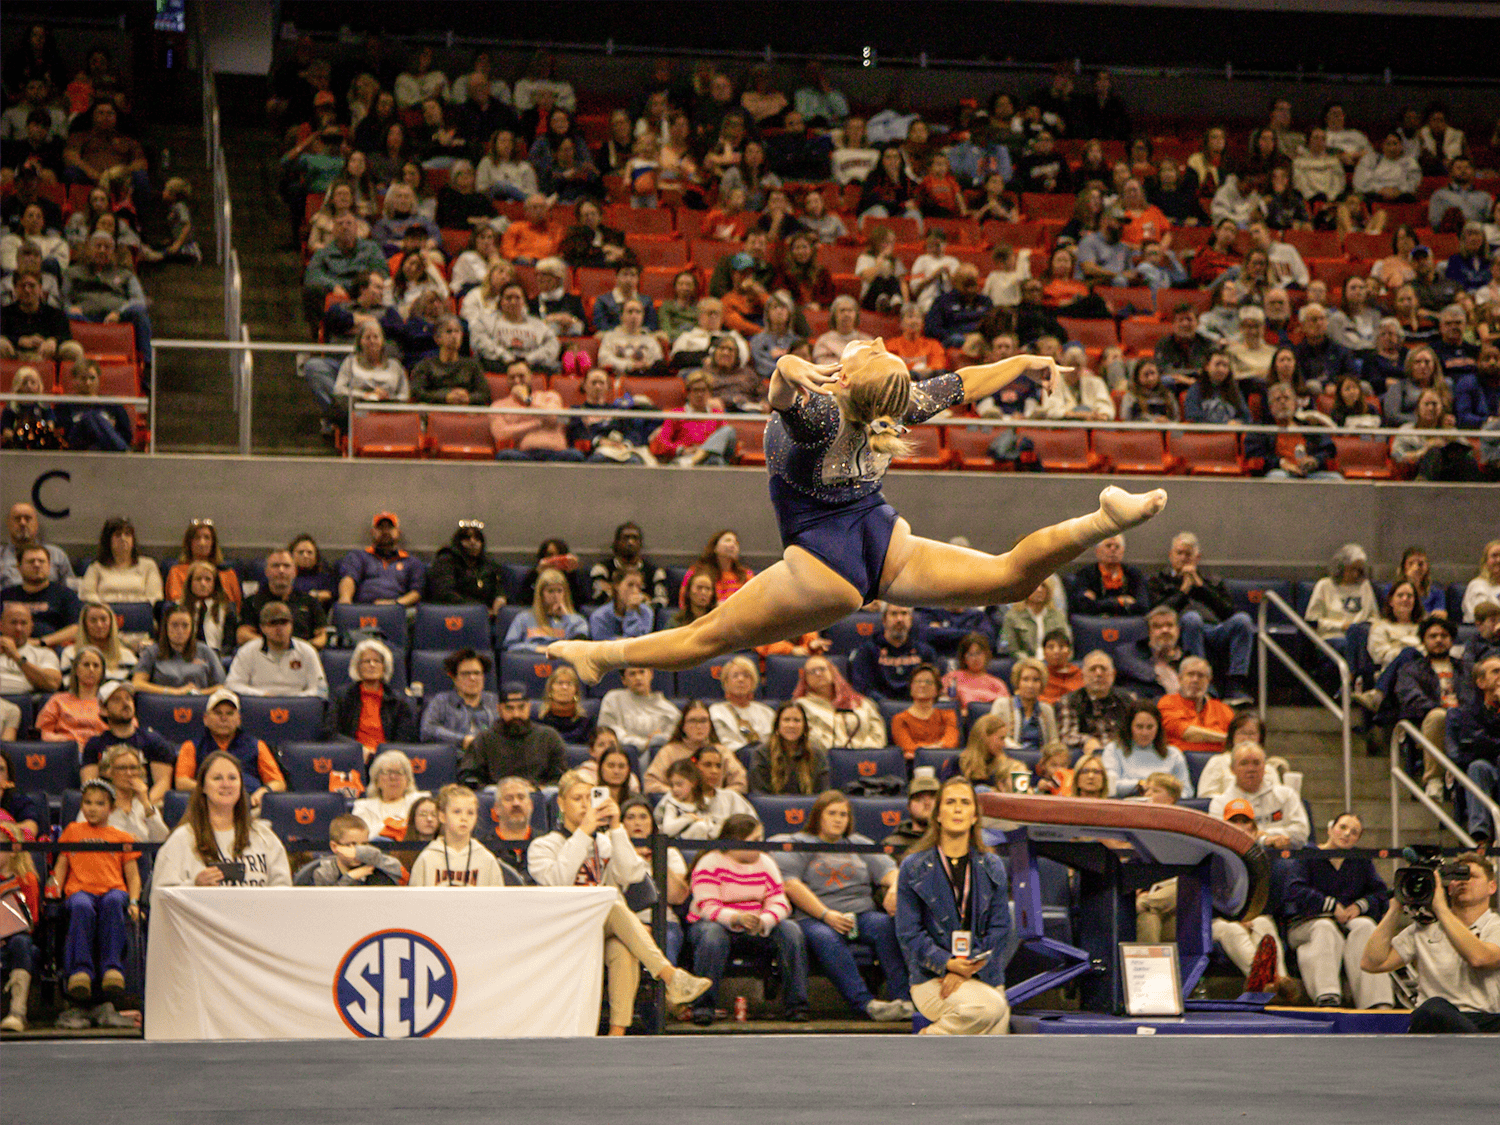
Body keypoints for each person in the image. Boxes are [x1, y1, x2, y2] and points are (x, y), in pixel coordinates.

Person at [532, 771, 713, 1032]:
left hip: (602, 927)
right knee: (612, 904)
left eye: (589, 798)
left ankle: (617, 1034)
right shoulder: (544, 846)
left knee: (623, 951)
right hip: (565, 928)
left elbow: (633, 875)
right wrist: (584, 832)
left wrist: (616, 827)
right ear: (561, 803)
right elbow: (558, 880)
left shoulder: (604, 843)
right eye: (577, 798)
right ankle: (670, 976)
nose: (585, 805)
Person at [776, 790, 914, 1021]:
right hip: (815, 916)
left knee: (886, 926)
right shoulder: (801, 843)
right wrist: (826, 914)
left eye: (844, 814)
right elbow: (790, 885)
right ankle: (866, 1004)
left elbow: (891, 871)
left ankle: (906, 1000)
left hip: (861, 914)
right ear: (818, 815)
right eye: (832, 813)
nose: (838, 819)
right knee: (825, 938)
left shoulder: (858, 843)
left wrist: (893, 887)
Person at [895, 776, 1011, 1035]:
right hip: (931, 977)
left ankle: (936, 1049)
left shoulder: (993, 866)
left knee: (997, 1030)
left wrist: (966, 968)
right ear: (937, 815)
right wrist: (947, 963)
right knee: (990, 1010)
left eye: (965, 803)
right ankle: (926, 1042)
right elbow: (908, 933)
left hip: (983, 975)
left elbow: (1001, 929)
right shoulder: (913, 867)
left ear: (974, 817)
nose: (957, 808)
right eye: (950, 802)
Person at [686, 814, 808, 1024]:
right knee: (712, 936)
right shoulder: (709, 862)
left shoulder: (766, 862)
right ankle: (703, 1006)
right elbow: (706, 906)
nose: (759, 845)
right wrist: (735, 918)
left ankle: (797, 1006)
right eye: (754, 840)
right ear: (735, 841)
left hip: (756, 926)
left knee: (790, 930)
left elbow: (780, 901)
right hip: (716, 924)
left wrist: (765, 921)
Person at [1361, 852, 1500, 1033]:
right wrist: (1396, 907)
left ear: (1492, 886)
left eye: (1471, 876)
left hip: (1484, 1018)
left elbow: (1480, 958)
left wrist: (1441, 909)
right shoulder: (1425, 928)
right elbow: (1371, 963)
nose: (1464, 881)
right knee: (1433, 1008)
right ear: (1448, 888)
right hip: (1434, 1019)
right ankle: (1477, 1049)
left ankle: (1474, 1045)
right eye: (1456, 877)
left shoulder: (1495, 926)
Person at [1280, 812, 1394, 1008]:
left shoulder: (1360, 860)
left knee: (1365, 925)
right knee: (1325, 928)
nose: (1347, 834)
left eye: (1354, 832)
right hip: (1306, 924)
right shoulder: (1308, 854)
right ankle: (1328, 997)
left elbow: (1381, 894)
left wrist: (1360, 906)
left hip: (1346, 923)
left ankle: (1377, 1003)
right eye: (1343, 827)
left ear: (1357, 839)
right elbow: (1293, 890)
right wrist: (1331, 906)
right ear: (1331, 829)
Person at [152, 750, 293, 899]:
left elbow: (283, 891)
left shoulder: (265, 837)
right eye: (217, 778)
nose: (226, 784)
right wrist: (194, 885)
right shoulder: (181, 840)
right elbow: (160, 897)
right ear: (203, 787)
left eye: (232, 778)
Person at [49, 779, 141, 1006]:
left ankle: (112, 969)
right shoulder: (72, 831)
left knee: (112, 902)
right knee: (80, 906)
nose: (92, 808)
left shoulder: (122, 837)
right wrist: (53, 892)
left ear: (111, 808)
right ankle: (80, 972)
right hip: (80, 891)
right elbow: (62, 865)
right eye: (88, 802)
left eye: (99, 804)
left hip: (114, 890)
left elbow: (133, 876)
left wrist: (135, 901)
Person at [1146, 532, 1255, 704]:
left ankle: (1236, 685)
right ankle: (1204, 682)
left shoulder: (1211, 580)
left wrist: (1200, 586)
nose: (1183, 558)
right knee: (1192, 618)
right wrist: (1183, 590)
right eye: (1179, 553)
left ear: (1197, 557)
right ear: (1171, 555)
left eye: (1188, 554)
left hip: (1214, 629)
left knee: (1243, 620)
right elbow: (1158, 612)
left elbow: (1228, 611)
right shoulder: (1158, 581)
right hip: (1182, 629)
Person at [1213, 799, 1293, 996]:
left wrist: (1248, 916)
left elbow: (1267, 901)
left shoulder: (1262, 860)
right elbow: (1210, 899)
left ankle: (1281, 979)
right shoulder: (1215, 856)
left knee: (1264, 924)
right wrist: (1235, 919)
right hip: (1217, 920)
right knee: (1232, 930)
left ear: (1255, 830)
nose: (1240, 828)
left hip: (1251, 915)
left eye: (1244, 822)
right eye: (1234, 822)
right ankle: (1266, 980)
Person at [171, 688, 287, 802]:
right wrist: (214, 790)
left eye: (230, 713)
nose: (223, 718)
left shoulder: (257, 745)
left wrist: (263, 791)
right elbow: (182, 782)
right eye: (217, 713)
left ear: (239, 720)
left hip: (250, 804)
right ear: (205, 719)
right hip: (207, 804)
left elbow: (278, 783)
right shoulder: (191, 746)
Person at [79, 682, 174, 806]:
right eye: (117, 699)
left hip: (146, 805)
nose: (125, 703)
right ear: (103, 709)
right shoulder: (94, 744)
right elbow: (90, 786)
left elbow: (163, 783)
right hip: (107, 809)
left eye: (128, 698)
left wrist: (143, 807)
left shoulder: (153, 740)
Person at [458, 683, 566, 788]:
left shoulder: (548, 736)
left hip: (539, 795)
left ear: (529, 707)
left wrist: (537, 789)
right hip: (497, 797)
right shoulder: (484, 739)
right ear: (499, 709)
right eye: (509, 708)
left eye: (521, 707)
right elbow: (469, 775)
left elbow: (561, 777)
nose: (516, 714)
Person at [408, 783, 516, 887]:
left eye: (470, 813)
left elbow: (497, 901)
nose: (464, 818)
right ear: (442, 816)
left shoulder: (486, 859)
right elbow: (414, 901)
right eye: (457, 811)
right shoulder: (427, 858)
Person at [323, 638, 418, 755]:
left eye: (377, 661)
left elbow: (404, 740)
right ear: (357, 667)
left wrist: (381, 753)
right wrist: (359, 749)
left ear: (384, 668)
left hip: (387, 757)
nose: (372, 665)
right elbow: (330, 733)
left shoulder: (398, 701)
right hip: (352, 755)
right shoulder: (342, 696)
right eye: (366, 661)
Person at [1208, 742, 1310, 848]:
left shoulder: (1286, 795)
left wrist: (1266, 834)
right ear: (1232, 769)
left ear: (1265, 767)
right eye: (1244, 763)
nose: (1251, 769)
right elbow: (1219, 838)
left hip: (1281, 855)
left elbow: (1301, 832)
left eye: (1256, 763)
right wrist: (1263, 839)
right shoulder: (1220, 803)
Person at [223, 602, 326, 698]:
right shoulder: (247, 651)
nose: (279, 628)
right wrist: (263, 695)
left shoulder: (307, 651)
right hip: (260, 706)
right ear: (262, 627)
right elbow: (232, 684)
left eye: (284, 623)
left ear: (291, 625)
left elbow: (321, 689)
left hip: (298, 708)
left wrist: (296, 699)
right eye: (273, 623)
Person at [1451, 655, 1500, 844]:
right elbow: (1474, 745)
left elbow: (1485, 742)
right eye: (1495, 672)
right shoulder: (1468, 712)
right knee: (1477, 766)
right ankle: (1480, 836)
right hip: (1486, 769)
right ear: (1480, 682)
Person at [793, 654, 887, 751]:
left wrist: (858, 750)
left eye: (822, 669)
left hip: (864, 756)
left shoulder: (863, 703)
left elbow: (878, 735)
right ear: (805, 679)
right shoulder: (801, 706)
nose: (818, 674)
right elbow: (808, 740)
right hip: (825, 760)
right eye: (811, 672)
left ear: (832, 671)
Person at [1102, 700, 1194, 798]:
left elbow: (1187, 791)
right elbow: (1110, 786)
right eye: (1139, 727)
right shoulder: (1114, 749)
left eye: (1150, 727)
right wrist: (1141, 784)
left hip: (1165, 807)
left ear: (1158, 727)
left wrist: (1165, 798)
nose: (1144, 733)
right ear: (1129, 727)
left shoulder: (1173, 753)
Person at [851, 604, 939, 702]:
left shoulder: (925, 652)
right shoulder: (867, 652)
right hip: (879, 708)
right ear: (884, 620)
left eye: (904, 613)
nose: (899, 619)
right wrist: (888, 705)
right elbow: (862, 688)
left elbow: (934, 687)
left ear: (911, 620)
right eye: (894, 614)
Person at [654, 756, 756, 840]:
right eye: (671, 785)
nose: (675, 789)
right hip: (679, 845)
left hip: (704, 846)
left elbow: (712, 830)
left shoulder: (703, 803)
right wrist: (689, 818)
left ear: (693, 783)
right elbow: (667, 830)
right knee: (700, 826)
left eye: (679, 784)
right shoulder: (672, 804)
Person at [1157, 656, 1237, 758]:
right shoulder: (1167, 702)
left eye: (1201, 676)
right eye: (1190, 674)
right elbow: (1189, 734)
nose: (1195, 680)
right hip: (1181, 761)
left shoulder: (1224, 709)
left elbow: (1237, 740)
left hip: (1218, 762)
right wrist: (1228, 738)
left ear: (1208, 680)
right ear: (1180, 679)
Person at [1057, 650, 1134, 754]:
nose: (1098, 674)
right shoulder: (1070, 701)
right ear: (1082, 675)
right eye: (1093, 669)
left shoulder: (1127, 700)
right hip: (1088, 758)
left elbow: (1137, 732)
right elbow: (1066, 736)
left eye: (1103, 669)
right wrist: (1087, 740)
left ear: (1113, 674)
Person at [295, 814, 406, 887]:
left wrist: (368, 856)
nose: (359, 850)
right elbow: (329, 904)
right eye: (351, 845)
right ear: (334, 847)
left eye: (364, 844)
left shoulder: (374, 863)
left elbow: (398, 871)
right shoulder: (324, 872)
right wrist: (350, 878)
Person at [3, 544, 80, 646]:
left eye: (41, 561)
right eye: (31, 561)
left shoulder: (65, 595)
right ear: (19, 567)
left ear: (49, 566)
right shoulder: (5, 595)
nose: (36, 565)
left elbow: (76, 628)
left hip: (51, 649)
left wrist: (41, 642)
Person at [750, 702, 830, 795]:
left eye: (797, 720)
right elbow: (759, 793)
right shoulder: (761, 753)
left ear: (805, 727)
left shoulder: (817, 754)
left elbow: (823, 794)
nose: (791, 725)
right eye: (786, 720)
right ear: (777, 726)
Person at [78, 518, 160, 607]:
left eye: (127, 534)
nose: (123, 538)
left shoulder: (148, 565)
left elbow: (155, 597)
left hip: (139, 614)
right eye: (117, 535)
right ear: (108, 540)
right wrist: (104, 608)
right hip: (105, 615)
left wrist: (132, 607)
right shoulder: (96, 566)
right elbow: (86, 595)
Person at [37, 645, 107, 748]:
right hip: (64, 751)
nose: (91, 669)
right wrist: (68, 742)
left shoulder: (110, 702)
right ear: (76, 670)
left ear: (102, 672)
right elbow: (42, 732)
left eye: (96, 665)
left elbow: (126, 728)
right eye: (86, 665)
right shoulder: (58, 700)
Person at [350, 748, 428, 841]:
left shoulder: (421, 801)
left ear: (408, 780)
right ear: (376, 781)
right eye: (386, 772)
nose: (393, 777)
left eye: (399, 772)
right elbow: (360, 838)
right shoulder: (363, 806)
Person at [1069, 534, 1147, 618]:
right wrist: (1120, 601)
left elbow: (1143, 606)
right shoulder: (1086, 574)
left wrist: (1098, 603)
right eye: (1108, 546)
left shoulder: (1133, 574)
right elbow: (1081, 606)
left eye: (1117, 547)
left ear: (1122, 552)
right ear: (1097, 551)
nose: (1113, 549)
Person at [709, 654, 775, 753]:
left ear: (753, 682)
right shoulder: (716, 711)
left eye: (746, 676)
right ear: (726, 682)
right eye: (735, 676)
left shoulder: (767, 712)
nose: (741, 679)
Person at [990, 657, 1058, 752]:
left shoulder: (1047, 709)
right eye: (1025, 680)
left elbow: (1054, 741)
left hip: (1040, 760)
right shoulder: (1001, 704)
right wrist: (1019, 751)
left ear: (1041, 684)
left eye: (1036, 680)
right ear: (1018, 682)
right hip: (1010, 757)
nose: (1030, 685)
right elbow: (994, 736)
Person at [950, 713, 1025, 791]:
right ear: (985, 737)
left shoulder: (1005, 766)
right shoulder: (956, 763)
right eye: (1001, 738)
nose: (1004, 745)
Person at [999, 579, 1069, 661]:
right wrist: (1029, 661)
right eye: (1035, 586)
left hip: (1054, 663)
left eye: (1043, 586)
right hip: (1024, 664)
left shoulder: (1057, 616)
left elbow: (1067, 644)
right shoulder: (1012, 616)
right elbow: (1009, 648)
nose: (1039, 590)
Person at [0, 601, 61, 694]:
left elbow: (53, 684)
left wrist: (16, 657)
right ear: (1, 626)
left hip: (27, 703)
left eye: (23, 623)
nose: (18, 628)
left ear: (31, 627)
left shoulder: (44, 653)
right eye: (13, 622)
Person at [942, 633, 1009, 713]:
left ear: (986, 655)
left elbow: (1006, 708)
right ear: (963, 658)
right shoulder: (952, 677)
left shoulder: (996, 683)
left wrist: (963, 693)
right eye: (970, 654)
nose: (975, 658)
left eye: (979, 653)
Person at [534, 665, 594, 745]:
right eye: (560, 683)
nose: (565, 687)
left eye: (569, 684)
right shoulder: (538, 720)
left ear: (576, 691)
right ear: (550, 689)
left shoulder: (586, 722)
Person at [1463, 540, 1500, 624]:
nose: (1499, 560)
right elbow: (1481, 616)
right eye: (1494, 556)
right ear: (1486, 562)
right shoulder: (1477, 585)